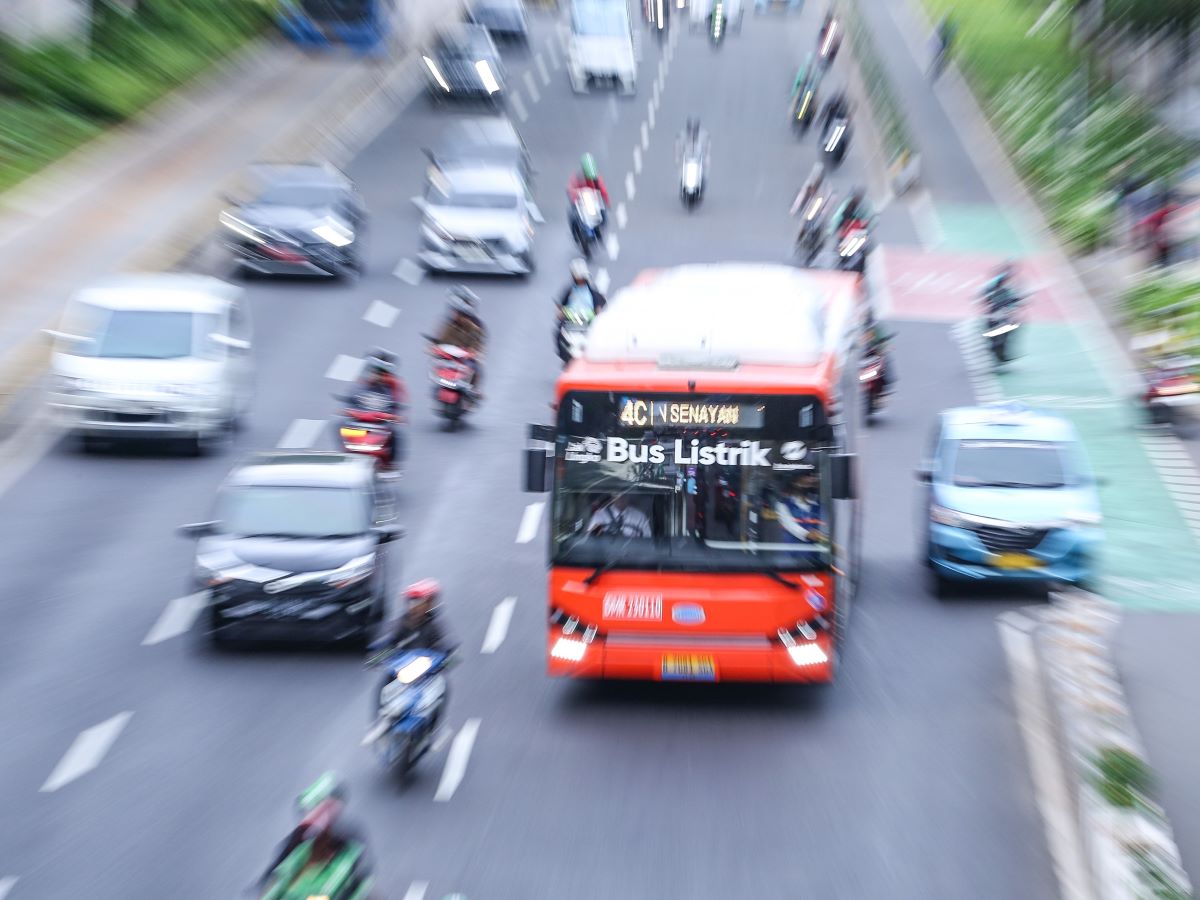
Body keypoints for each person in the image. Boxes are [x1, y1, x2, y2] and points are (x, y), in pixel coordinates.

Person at [257, 774, 372, 894]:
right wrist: (266, 879)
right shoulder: (304, 832)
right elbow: (283, 854)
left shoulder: (348, 833)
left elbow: (359, 865)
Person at [369, 579, 458, 658]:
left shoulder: (434, 625)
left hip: (426, 664)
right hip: (402, 663)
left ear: (429, 604)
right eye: (412, 602)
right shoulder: (402, 623)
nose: (415, 607)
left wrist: (446, 652)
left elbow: (445, 645)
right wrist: (378, 654)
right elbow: (389, 639)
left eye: (419, 602)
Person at [430, 286, 487, 397]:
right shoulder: (448, 324)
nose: (455, 315)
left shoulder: (475, 327)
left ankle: (474, 390)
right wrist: (434, 347)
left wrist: (472, 353)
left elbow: (477, 346)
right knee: (435, 363)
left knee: (476, 368)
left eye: (459, 314)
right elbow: (440, 339)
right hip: (448, 355)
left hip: (465, 357)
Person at [356, 349, 406, 471]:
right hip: (362, 417)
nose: (376, 376)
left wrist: (394, 416)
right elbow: (353, 396)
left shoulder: (393, 384)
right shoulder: (364, 382)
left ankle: (391, 463)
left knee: (396, 433)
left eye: (380, 373)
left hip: (382, 419)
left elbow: (398, 402)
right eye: (375, 372)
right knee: (339, 425)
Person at [771, 473, 823, 543]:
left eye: (810, 482)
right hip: (794, 547)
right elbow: (790, 524)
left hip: (817, 548)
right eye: (803, 481)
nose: (809, 480)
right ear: (794, 483)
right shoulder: (783, 505)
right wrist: (807, 534)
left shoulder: (817, 505)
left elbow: (824, 525)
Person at [568, 153, 611, 229]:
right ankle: (576, 230)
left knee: (603, 213)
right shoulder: (577, 177)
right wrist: (576, 194)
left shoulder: (596, 179)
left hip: (593, 202)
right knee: (572, 214)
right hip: (580, 203)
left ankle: (601, 228)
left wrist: (606, 202)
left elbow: (603, 190)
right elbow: (570, 188)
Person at [587, 494, 652, 538]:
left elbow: (648, 540)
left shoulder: (639, 516)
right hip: (605, 553)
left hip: (633, 553)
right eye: (617, 496)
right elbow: (590, 538)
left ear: (628, 498)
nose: (620, 499)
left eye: (624, 496)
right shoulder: (599, 515)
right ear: (612, 498)